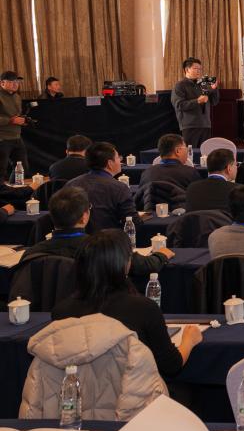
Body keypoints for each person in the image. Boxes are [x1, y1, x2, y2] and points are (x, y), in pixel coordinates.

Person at [51, 230, 201, 380]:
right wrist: (189, 340)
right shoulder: (144, 309)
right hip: (135, 390)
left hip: (83, 390)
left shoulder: (61, 312)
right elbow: (171, 365)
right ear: (125, 264)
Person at [17, 187, 171, 277]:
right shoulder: (103, 248)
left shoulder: (32, 253)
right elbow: (144, 265)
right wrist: (161, 255)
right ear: (85, 216)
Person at [64, 142, 136, 231]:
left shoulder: (71, 184)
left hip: (77, 237)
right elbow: (132, 222)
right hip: (109, 237)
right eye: (118, 157)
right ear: (110, 163)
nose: (120, 161)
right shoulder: (120, 188)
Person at [170, 57, 219, 149]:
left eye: (200, 69)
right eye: (195, 68)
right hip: (190, 126)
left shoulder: (203, 85)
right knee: (190, 153)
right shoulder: (180, 85)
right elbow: (179, 105)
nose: (198, 71)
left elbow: (214, 102)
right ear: (187, 70)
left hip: (205, 124)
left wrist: (214, 89)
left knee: (204, 153)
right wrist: (197, 101)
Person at [183, 148, 238, 213]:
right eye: (236, 164)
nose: (236, 167)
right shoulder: (237, 191)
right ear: (229, 168)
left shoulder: (192, 188)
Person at [0, 70, 29, 183]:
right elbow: (11, 119)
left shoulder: (17, 97)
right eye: (11, 81)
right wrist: (11, 121)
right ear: (2, 83)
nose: (15, 84)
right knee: (1, 170)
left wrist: (22, 120)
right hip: (2, 138)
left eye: (17, 81)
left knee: (22, 168)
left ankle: (13, 189)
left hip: (16, 137)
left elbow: (16, 116)